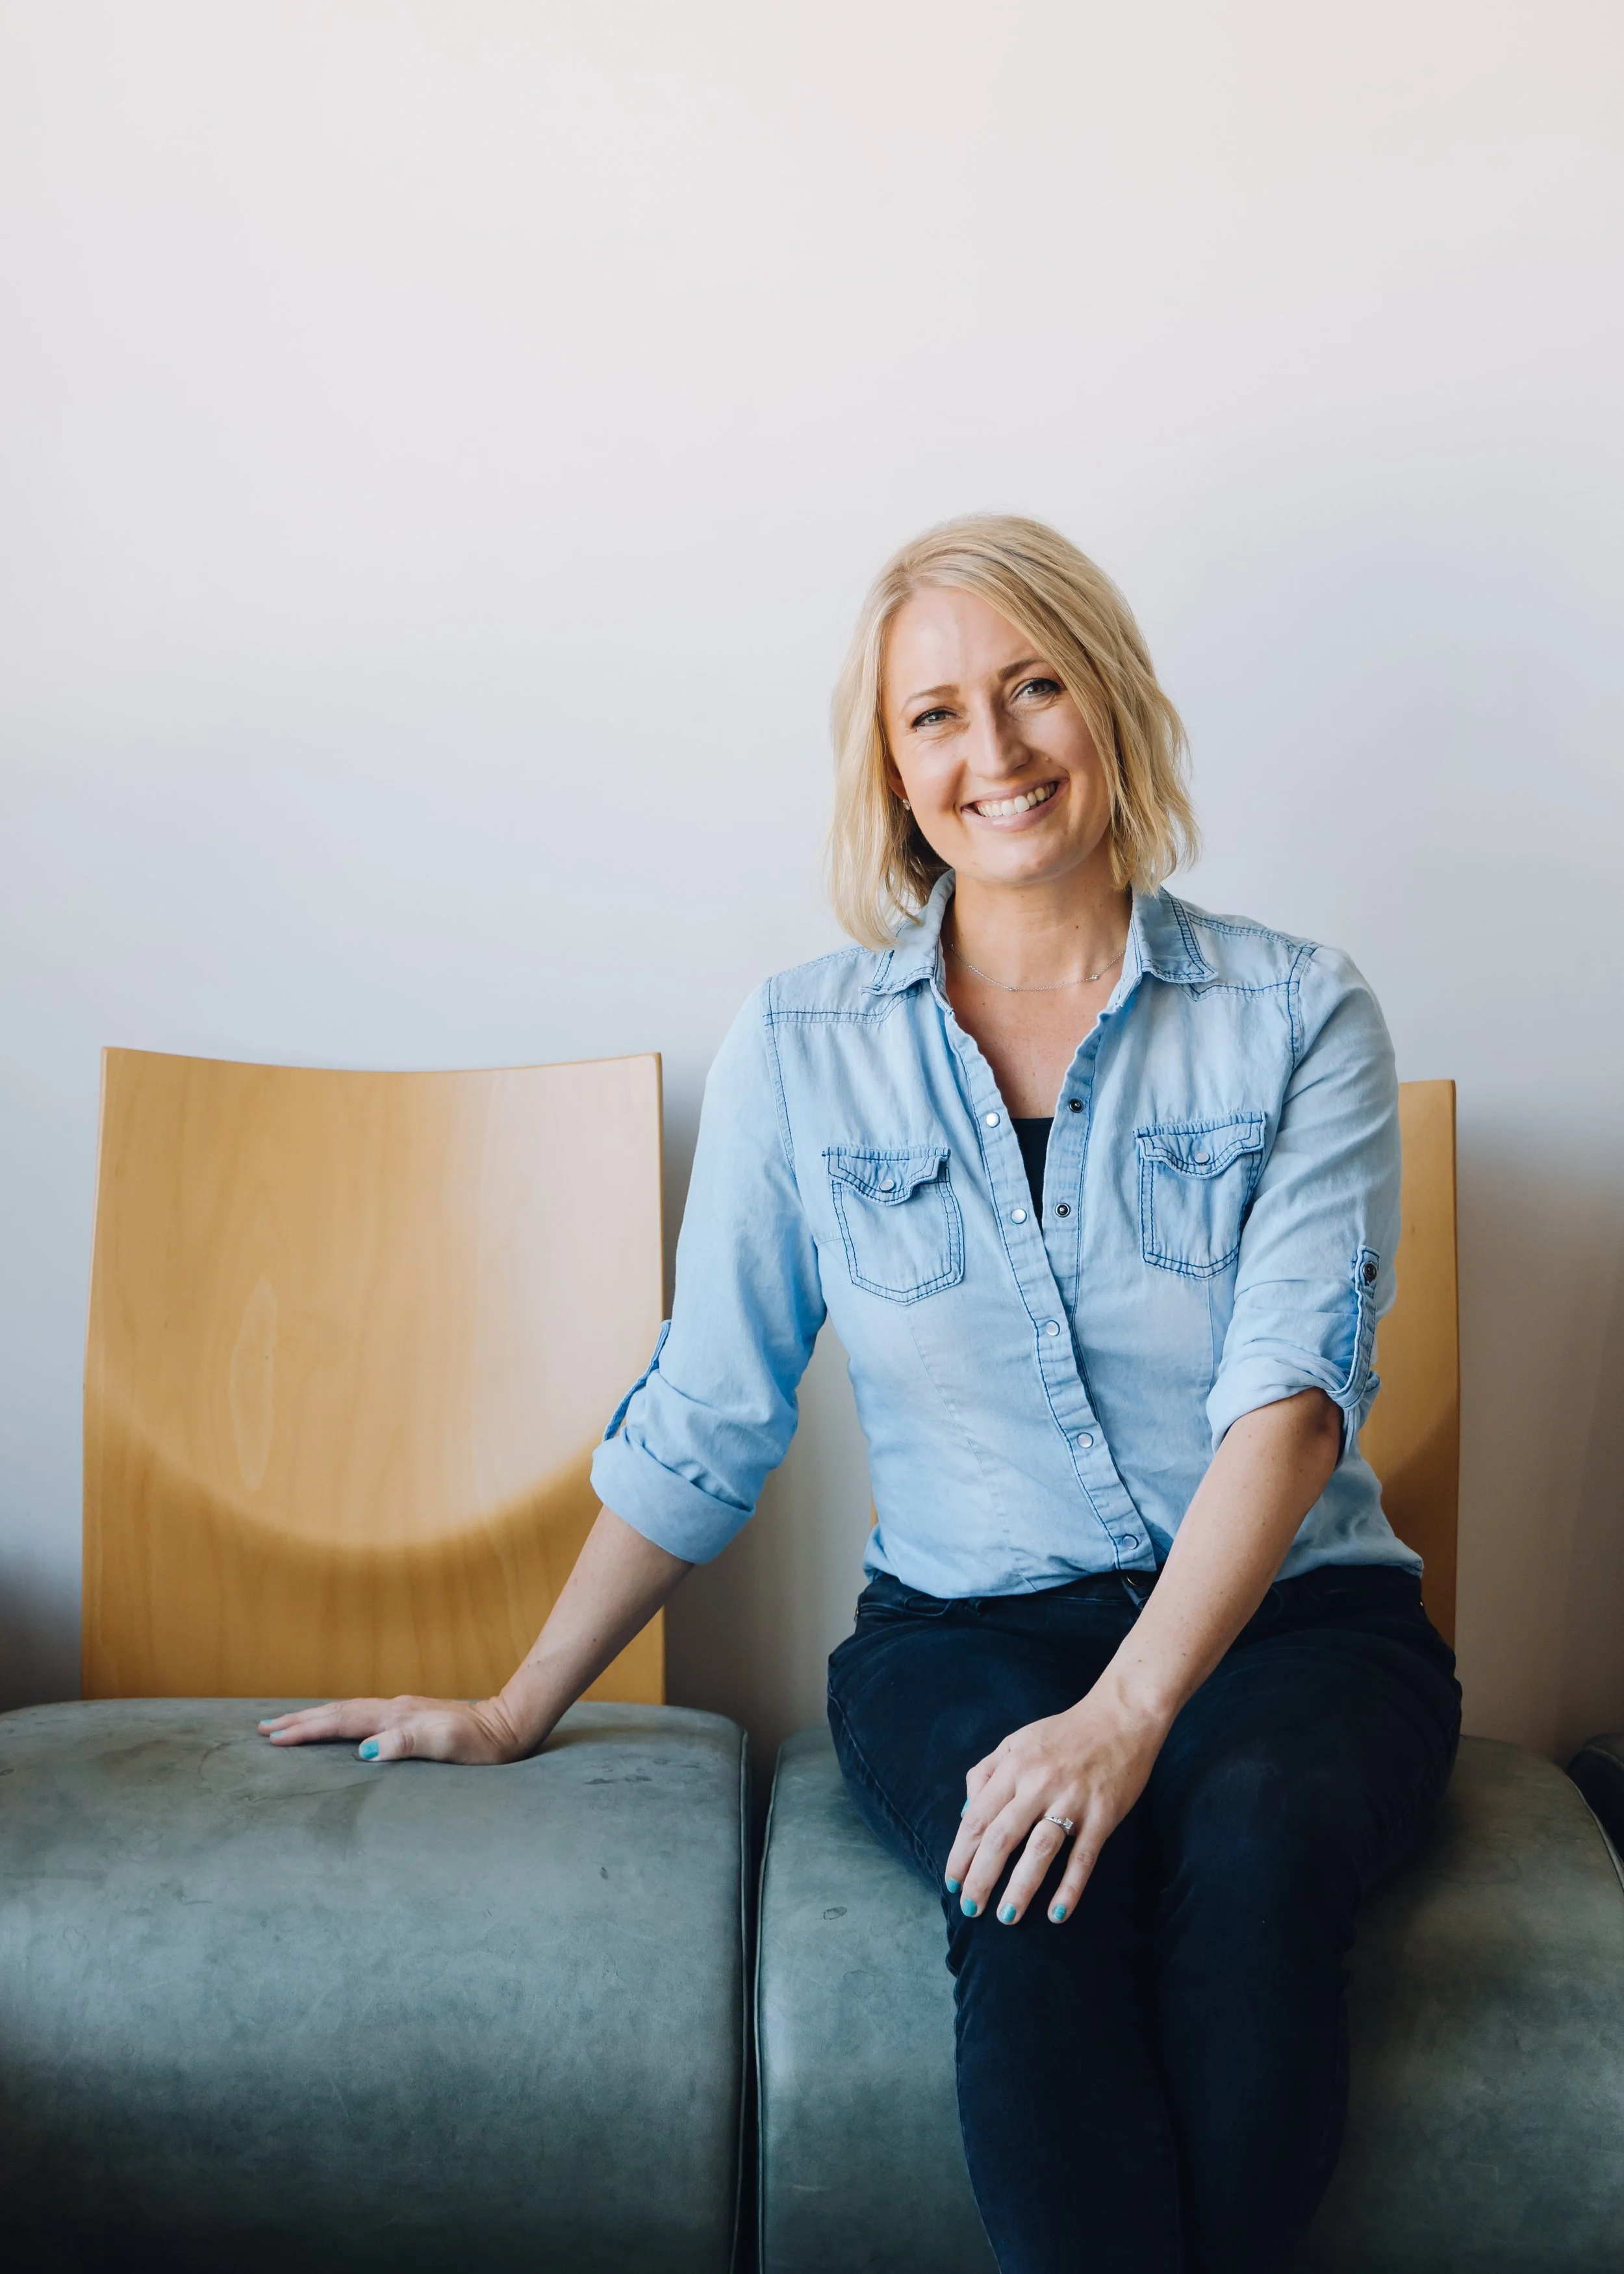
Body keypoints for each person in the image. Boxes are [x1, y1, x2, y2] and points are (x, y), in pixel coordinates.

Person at [263, 514, 1460, 2273]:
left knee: (1258, 1846)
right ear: (892, 771)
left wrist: (1127, 1716)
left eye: (1034, 686)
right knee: (1034, 1878)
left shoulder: (1298, 1014)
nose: (995, 751)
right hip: (965, 1628)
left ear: (1109, 700)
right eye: (936, 715)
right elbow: (709, 1408)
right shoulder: (802, 1047)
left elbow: (1289, 1404)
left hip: (1297, 1629)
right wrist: (518, 1703)